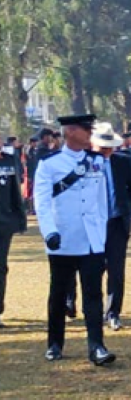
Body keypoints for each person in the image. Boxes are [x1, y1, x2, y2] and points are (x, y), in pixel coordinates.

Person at [34, 114, 116, 366]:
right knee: (59, 293)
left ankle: (97, 346)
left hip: (91, 239)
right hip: (63, 237)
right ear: (70, 131)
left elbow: (103, 201)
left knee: (93, 293)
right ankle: (55, 344)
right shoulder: (49, 164)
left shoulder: (97, 161)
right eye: (85, 129)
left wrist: (101, 233)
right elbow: (42, 202)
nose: (89, 132)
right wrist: (49, 232)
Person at [91, 123, 131, 332]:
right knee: (92, 269)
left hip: (117, 222)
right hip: (92, 224)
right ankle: (91, 309)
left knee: (116, 270)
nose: (106, 151)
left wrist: (126, 207)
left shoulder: (124, 161)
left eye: (109, 146)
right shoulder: (85, 163)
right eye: (102, 147)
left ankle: (113, 312)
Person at [0, 139, 28, 329]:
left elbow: (15, 190)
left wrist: (20, 218)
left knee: (1, 267)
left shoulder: (9, 161)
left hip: (4, 222)